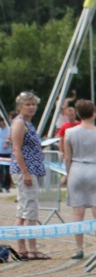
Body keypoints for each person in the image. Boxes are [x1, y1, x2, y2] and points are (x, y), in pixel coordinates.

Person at [62, 99, 96, 259]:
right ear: (93, 113)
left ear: (78, 113)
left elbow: (67, 157)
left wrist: (69, 174)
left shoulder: (69, 132)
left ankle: (79, 248)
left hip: (77, 168)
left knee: (78, 213)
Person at [9, 92, 50, 260]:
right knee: (30, 210)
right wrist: (25, 172)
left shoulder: (27, 123)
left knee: (23, 211)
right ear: (20, 106)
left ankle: (23, 249)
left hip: (29, 169)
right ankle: (31, 250)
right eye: (28, 104)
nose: (31, 107)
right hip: (25, 171)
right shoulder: (20, 123)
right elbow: (16, 149)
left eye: (33, 104)